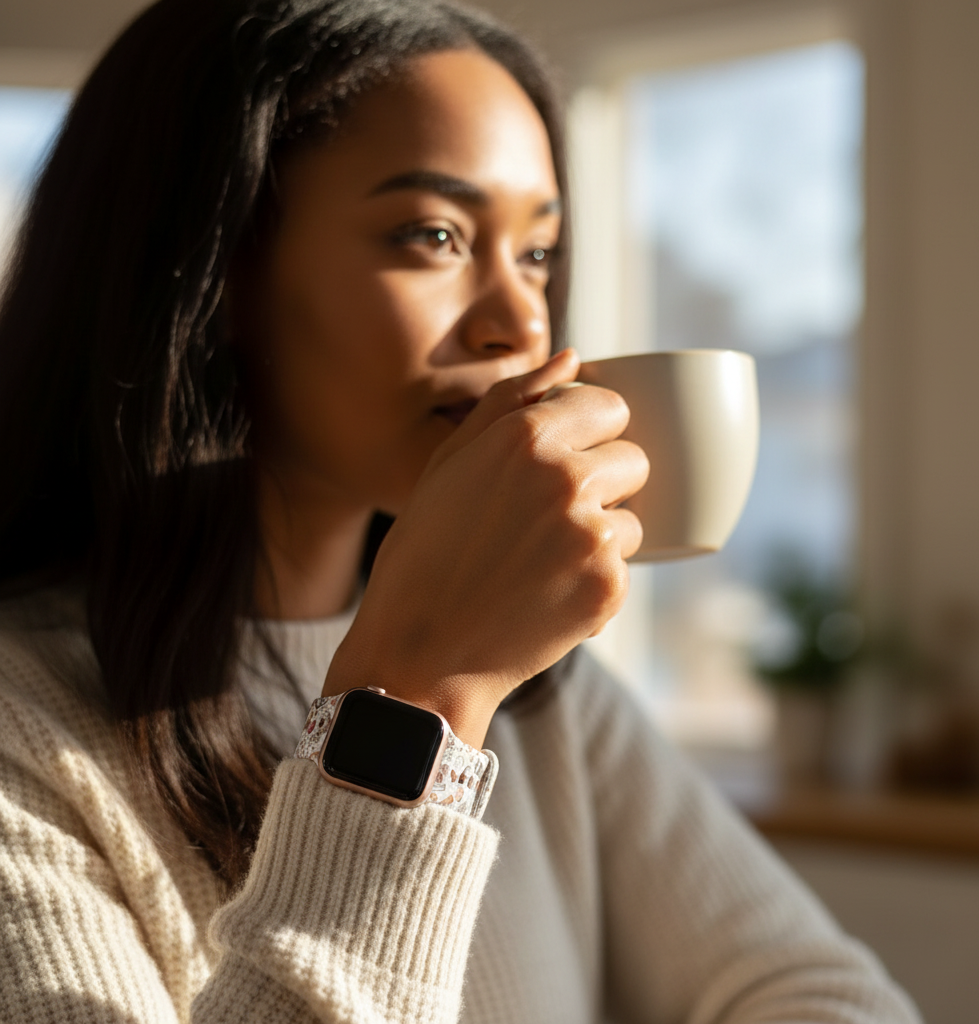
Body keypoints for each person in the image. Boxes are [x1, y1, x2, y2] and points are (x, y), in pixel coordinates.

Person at [0, 0, 920, 1021]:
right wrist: (419, 696)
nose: (521, 323)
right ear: (214, 270)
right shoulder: (22, 729)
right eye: (433, 235)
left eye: (537, 252)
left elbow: (830, 994)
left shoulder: (545, 697)